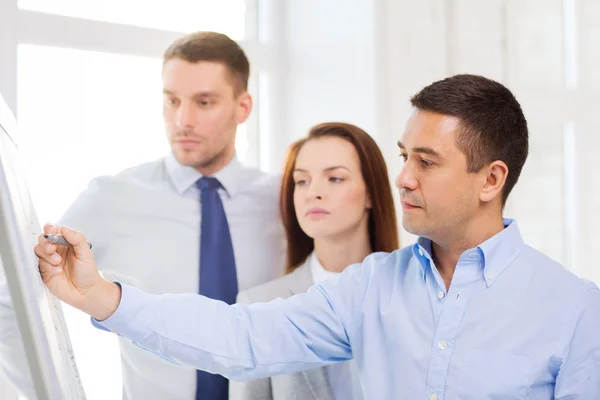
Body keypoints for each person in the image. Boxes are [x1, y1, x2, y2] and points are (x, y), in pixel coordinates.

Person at [35, 74, 600, 399]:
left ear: (491, 179)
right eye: (404, 157)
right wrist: (103, 297)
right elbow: (241, 337)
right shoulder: (371, 287)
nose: (403, 176)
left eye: (427, 161)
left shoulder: (575, 312)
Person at [1, 31, 286, 400]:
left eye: (204, 102)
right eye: (172, 101)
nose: (183, 120)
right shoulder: (112, 197)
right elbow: (15, 306)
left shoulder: (284, 201)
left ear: (243, 107)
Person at [229, 122, 399, 400]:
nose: (313, 192)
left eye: (335, 178)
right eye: (302, 181)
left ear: (371, 193)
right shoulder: (260, 307)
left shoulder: (414, 293)